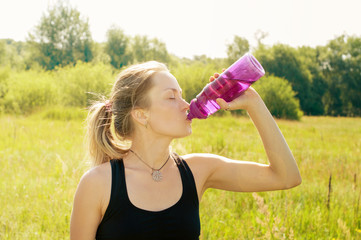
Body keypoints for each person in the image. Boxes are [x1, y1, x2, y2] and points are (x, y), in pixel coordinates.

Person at [70, 61, 302, 240]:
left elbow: (286, 176)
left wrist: (253, 102)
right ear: (142, 114)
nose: (186, 104)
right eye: (171, 97)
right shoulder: (99, 183)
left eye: (181, 95)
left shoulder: (199, 170)